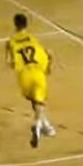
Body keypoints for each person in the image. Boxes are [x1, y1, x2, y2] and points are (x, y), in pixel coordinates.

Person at [5, 14, 55, 148]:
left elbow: (10, 62)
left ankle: (45, 126)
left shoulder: (10, 42)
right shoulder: (33, 39)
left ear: (15, 24)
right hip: (37, 74)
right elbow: (47, 58)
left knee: (34, 101)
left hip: (24, 76)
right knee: (40, 101)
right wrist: (50, 61)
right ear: (26, 24)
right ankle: (37, 126)